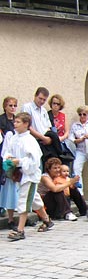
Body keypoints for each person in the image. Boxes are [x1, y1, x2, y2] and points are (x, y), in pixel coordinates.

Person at [2, 112, 53, 241]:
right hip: (20, 175)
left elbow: (34, 161)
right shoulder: (14, 138)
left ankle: (20, 230)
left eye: (18, 122)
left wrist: (19, 161)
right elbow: (8, 152)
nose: (15, 124)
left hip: (29, 176)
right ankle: (47, 220)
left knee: (23, 201)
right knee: (34, 200)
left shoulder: (30, 141)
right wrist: (9, 159)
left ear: (26, 124)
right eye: (15, 122)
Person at [69, 104, 88, 198]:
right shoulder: (75, 125)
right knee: (76, 169)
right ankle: (80, 194)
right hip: (80, 149)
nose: (82, 116)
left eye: (84, 114)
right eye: (80, 114)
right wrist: (79, 139)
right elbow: (71, 138)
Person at [0, 96, 19, 228]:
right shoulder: (1, 120)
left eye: (14, 106)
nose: (12, 108)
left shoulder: (18, 120)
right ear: (5, 106)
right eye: (10, 105)